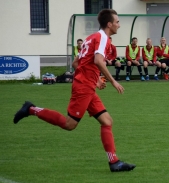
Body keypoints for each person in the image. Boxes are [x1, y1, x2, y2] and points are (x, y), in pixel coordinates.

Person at [13, 9, 136, 172]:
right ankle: (31, 109)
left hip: (88, 85)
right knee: (69, 124)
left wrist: (96, 78)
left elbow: (77, 63)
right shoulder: (102, 38)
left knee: (107, 121)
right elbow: (98, 60)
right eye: (117, 22)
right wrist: (112, 81)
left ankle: (114, 162)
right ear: (109, 24)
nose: (119, 25)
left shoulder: (92, 37)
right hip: (83, 87)